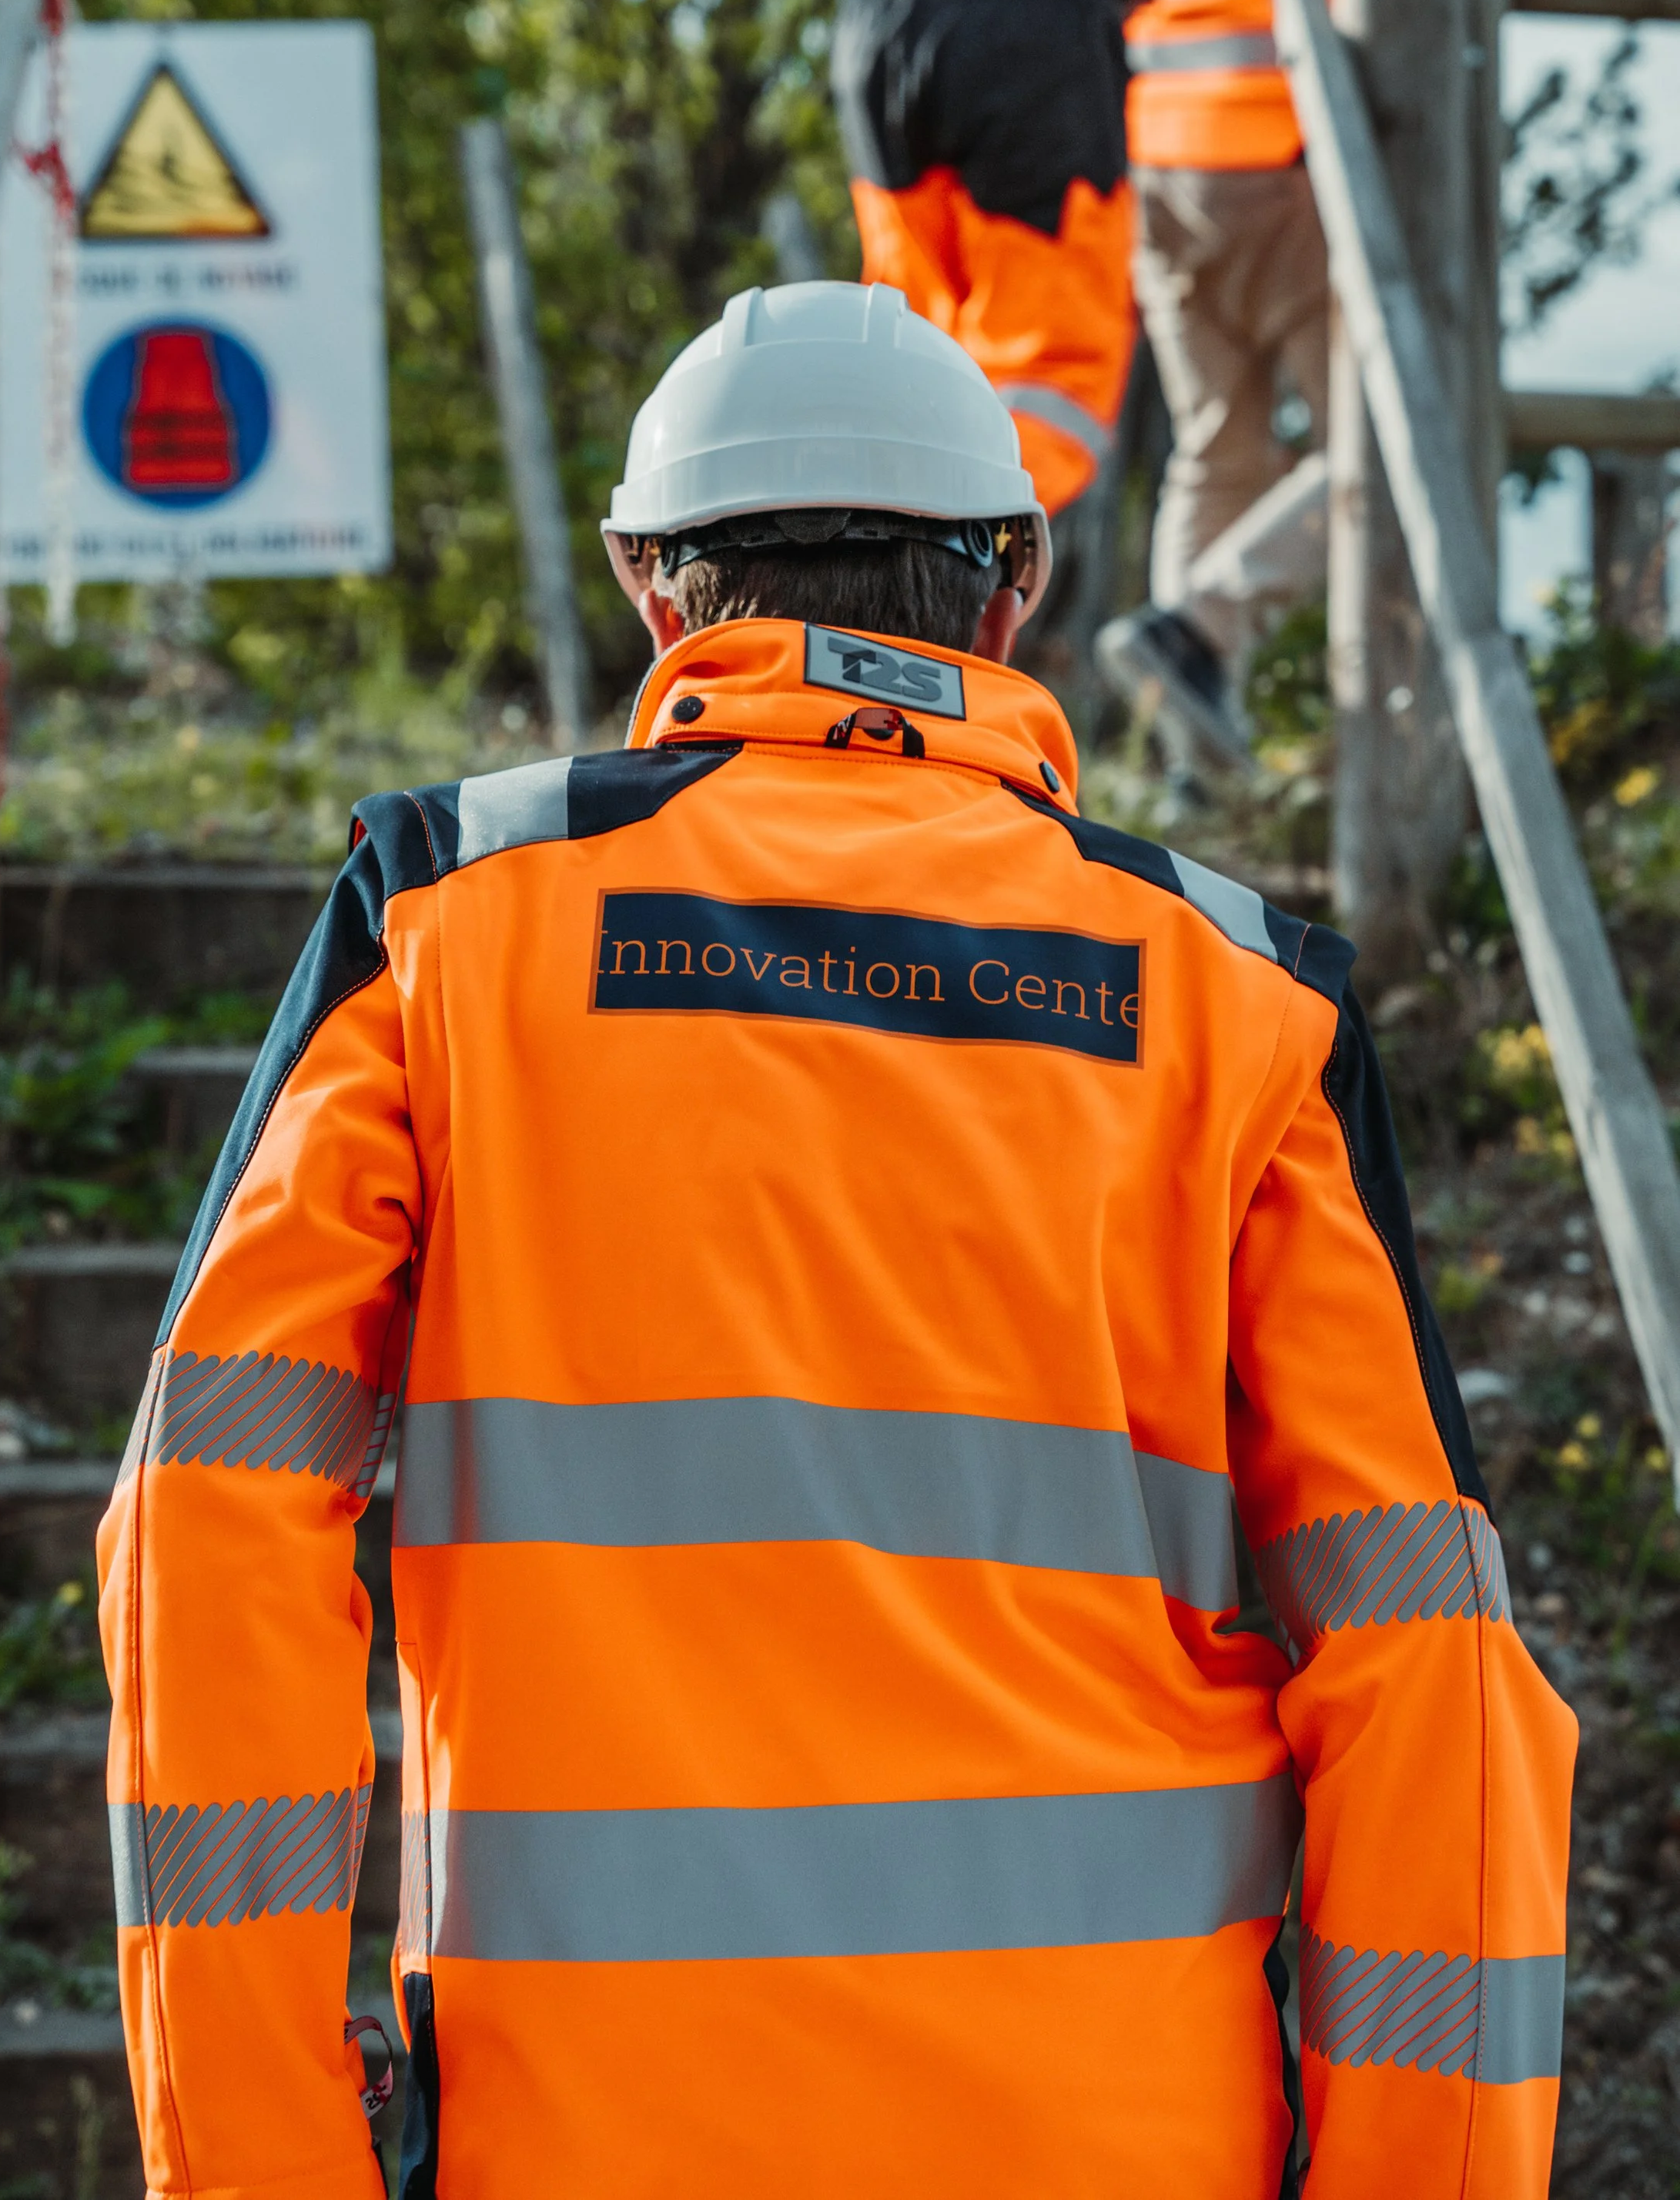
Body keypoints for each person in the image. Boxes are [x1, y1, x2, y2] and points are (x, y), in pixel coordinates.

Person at [99, 282, 1573, 2200]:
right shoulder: (1237, 999)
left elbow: (211, 1522)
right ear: (1015, 584)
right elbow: (1426, 1659)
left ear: (653, 586)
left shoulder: (449, 917)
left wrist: (267, 2167)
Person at [806, 0, 1293, 524]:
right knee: (1050, 370)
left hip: (873, 31)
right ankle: (955, 578)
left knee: (913, 347)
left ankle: (855, 578)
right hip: (1034, 29)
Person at [1098, 0, 1334, 765]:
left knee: (1217, 450)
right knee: (1375, 451)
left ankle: (1182, 750)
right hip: (1278, 147)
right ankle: (1201, 632)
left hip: (1162, 147)